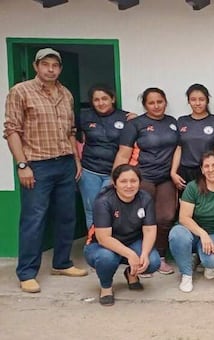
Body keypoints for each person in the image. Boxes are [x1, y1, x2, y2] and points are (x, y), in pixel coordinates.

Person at [4, 48, 88, 293]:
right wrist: (22, 165)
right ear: (36, 66)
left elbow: (71, 131)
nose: (51, 69)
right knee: (34, 219)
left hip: (64, 162)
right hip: (37, 164)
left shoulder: (66, 94)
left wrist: (76, 160)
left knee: (67, 216)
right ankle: (27, 273)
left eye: (55, 65)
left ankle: (62, 263)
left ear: (60, 68)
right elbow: (12, 131)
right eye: (46, 64)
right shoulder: (20, 92)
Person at [114, 87, 178, 275]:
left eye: (160, 101)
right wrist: (115, 180)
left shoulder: (172, 122)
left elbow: (177, 149)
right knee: (141, 219)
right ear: (144, 105)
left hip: (165, 178)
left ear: (165, 102)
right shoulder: (135, 124)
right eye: (151, 102)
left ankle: (160, 258)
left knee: (165, 217)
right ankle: (141, 259)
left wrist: (173, 172)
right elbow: (123, 153)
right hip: (142, 178)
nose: (156, 106)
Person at [83, 164, 160, 306]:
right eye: (124, 181)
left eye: (133, 181)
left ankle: (131, 273)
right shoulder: (103, 201)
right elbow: (103, 238)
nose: (129, 185)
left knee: (153, 261)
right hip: (101, 246)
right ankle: (106, 288)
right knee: (107, 258)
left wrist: (144, 253)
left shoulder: (145, 198)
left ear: (139, 182)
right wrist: (131, 255)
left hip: (132, 241)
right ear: (115, 183)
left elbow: (149, 229)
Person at [169, 151, 214, 292]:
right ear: (201, 169)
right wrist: (202, 234)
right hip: (193, 231)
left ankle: (202, 259)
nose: (211, 169)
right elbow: (184, 217)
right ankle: (187, 274)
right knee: (177, 234)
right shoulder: (193, 187)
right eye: (206, 166)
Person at [77, 85, 135, 230]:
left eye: (104, 99)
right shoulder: (84, 116)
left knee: (111, 210)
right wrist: (77, 162)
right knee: (91, 210)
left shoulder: (125, 118)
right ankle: (94, 244)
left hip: (114, 172)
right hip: (89, 171)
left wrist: (114, 177)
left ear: (113, 99)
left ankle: (112, 245)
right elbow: (72, 137)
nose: (100, 103)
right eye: (96, 100)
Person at [171, 84, 214, 189]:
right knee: (187, 203)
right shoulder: (182, 121)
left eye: (201, 99)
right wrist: (173, 172)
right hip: (185, 172)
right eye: (193, 100)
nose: (197, 103)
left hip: (208, 171)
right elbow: (179, 148)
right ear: (188, 101)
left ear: (207, 101)